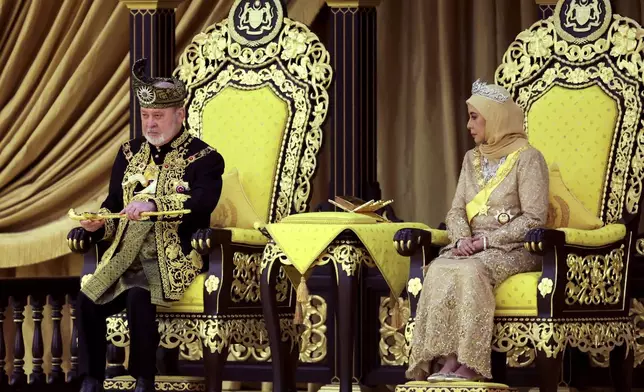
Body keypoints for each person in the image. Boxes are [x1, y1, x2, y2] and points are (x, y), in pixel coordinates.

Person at [67, 58, 225, 392]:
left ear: (179, 116)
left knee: (139, 295)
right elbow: (114, 206)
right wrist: (100, 225)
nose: (150, 124)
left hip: (172, 256)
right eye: (145, 116)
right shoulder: (128, 153)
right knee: (86, 298)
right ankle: (91, 380)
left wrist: (153, 204)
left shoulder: (205, 157)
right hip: (124, 256)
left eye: (158, 116)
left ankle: (143, 380)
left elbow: (201, 205)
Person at [395, 80, 549, 382]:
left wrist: (486, 240)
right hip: (472, 246)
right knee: (438, 267)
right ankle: (447, 359)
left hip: (514, 249)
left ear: (495, 117)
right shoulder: (472, 158)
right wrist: (462, 238)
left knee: (469, 271)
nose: (468, 125)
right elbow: (455, 211)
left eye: (474, 116)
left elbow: (534, 219)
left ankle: (471, 363)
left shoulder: (529, 159)